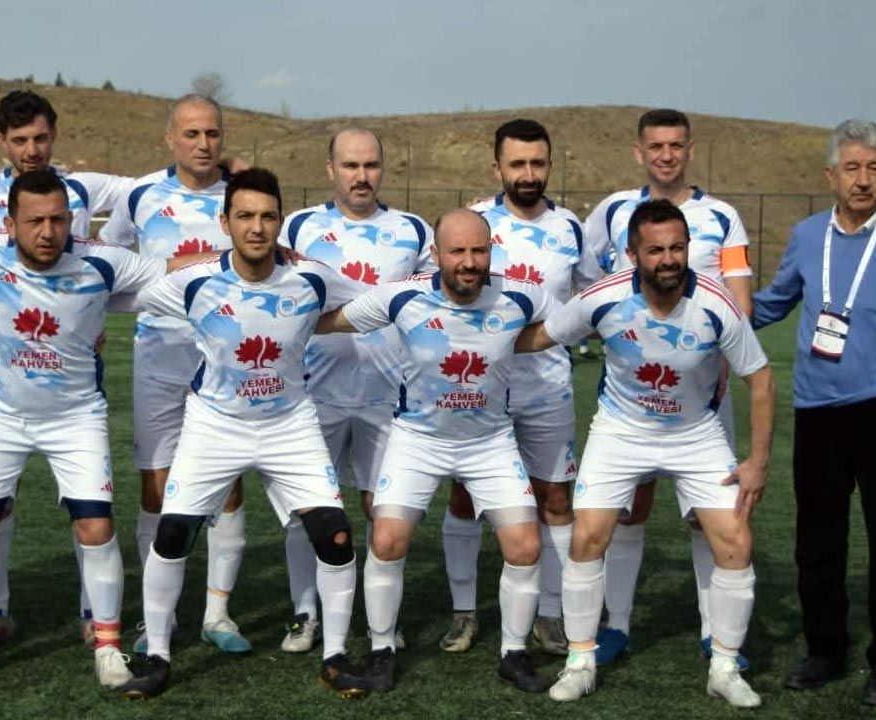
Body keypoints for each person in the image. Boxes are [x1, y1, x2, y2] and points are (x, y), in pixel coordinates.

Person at [0, 170, 183, 690]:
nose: (48, 231)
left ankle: (107, 646)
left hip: (76, 417)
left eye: (58, 220)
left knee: (95, 528)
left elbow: (170, 267)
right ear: (9, 224)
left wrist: (245, 258)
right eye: (34, 221)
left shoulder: (102, 260)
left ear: (72, 219)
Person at [122, 168, 373, 699]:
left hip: (290, 424)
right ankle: (157, 656)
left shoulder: (312, 277)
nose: (256, 227)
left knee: (334, 535)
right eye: (245, 216)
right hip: (214, 424)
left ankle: (334, 655)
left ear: (280, 222)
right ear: (225, 222)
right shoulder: (194, 280)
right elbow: (126, 297)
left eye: (267, 216)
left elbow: (371, 304)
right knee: (172, 534)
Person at [526, 199, 773, 708]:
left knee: (735, 540)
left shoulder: (718, 303)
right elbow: (542, 336)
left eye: (677, 248)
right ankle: (580, 662)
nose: (669, 259)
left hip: (695, 433)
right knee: (588, 535)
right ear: (633, 254)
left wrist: (757, 463)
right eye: (656, 250)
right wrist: (473, 336)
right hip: (621, 431)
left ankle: (725, 667)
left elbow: (761, 379)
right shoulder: (603, 297)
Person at [753, 119, 876, 707]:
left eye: (873, 168)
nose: (862, 180)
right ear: (831, 175)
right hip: (817, 412)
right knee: (817, 543)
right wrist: (709, 308)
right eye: (852, 168)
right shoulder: (806, 235)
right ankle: (825, 649)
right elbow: (773, 303)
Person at [316, 208, 553, 694]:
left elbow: (571, 322)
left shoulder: (520, 295)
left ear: (491, 252)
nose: (468, 262)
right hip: (417, 441)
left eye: (478, 251)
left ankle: (513, 653)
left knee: (525, 546)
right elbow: (332, 321)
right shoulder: (403, 296)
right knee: (387, 540)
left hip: (489, 442)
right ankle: (382, 650)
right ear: (436, 254)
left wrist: (514, 340)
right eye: (457, 251)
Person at [582, 108, 755, 666]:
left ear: (690, 150)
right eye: (655, 146)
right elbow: (585, 277)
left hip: (703, 398)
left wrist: (723, 352)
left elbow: (739, 300)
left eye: (676, 145)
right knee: (628, 511)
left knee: (710, 518)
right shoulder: (613, 210)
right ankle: (617, 626)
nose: (666, 155)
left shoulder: (722, 216)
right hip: (631, 397)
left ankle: (714, 633)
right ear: (639, 152)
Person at [439, 119, 601, 656]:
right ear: (497, 168)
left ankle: (550, 614)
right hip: (481, 387)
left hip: (549, 388)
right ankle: (464, 611)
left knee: (554, 497)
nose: (528, 174)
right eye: (517, 164)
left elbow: (592, 299)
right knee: (466, 496)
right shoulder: (475, 222)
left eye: (537, 163)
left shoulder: (570, 227)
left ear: (549, 165)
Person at [99, 94, 250, 653]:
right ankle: (154, 618)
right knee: (156, 487)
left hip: (228, 359)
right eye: (191, 134)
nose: (204, 144)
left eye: (212, 133)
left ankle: (218, 615)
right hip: (160, 355)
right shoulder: (140, 195)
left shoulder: (240, 196)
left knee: (226, 484)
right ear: (170, 138)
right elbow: (107, 259)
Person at [276, 127, 435, 652]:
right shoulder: (299, 226)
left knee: (383, 510)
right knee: (307, 510)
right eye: (350, 165)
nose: (361, 176)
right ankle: (305, 614)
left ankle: (380, 617)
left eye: (370, 165)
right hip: (313, 395)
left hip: (387, 397)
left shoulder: (413, 230)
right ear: (331, 170)